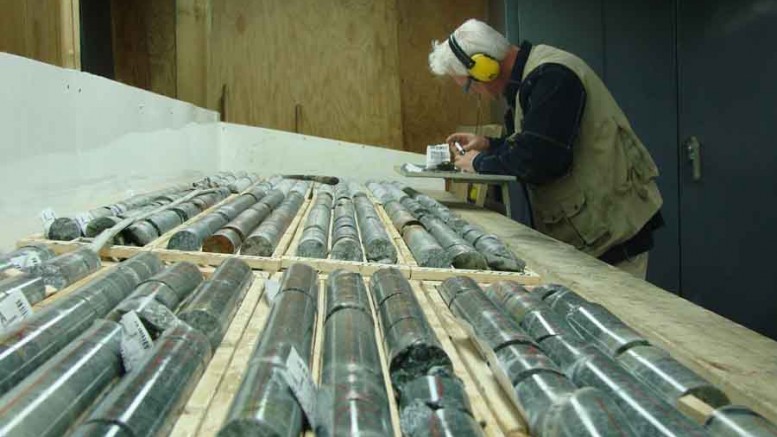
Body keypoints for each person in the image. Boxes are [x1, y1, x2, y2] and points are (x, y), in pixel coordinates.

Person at [428, 19, 664, 279]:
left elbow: (538, 159)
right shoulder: (532, 79)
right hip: (595, 235)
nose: (476, 94)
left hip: (614, 241)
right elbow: (534, 140)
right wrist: (488, 144)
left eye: (467, 86)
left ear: (486, 69)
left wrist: (477, 163)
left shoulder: (553, 76)